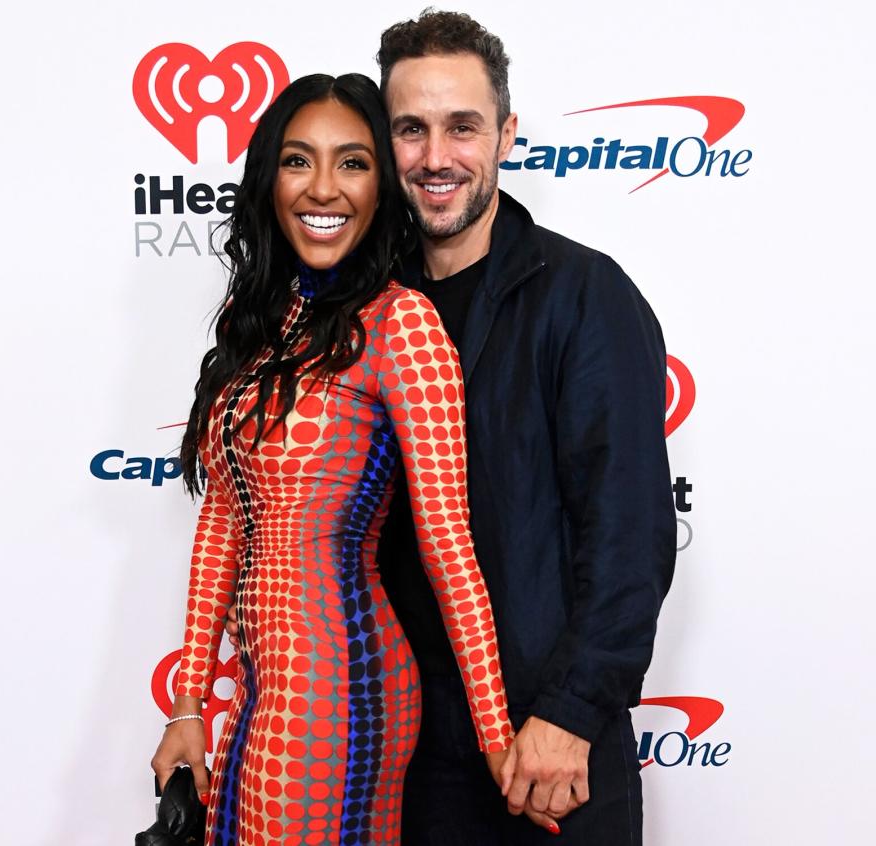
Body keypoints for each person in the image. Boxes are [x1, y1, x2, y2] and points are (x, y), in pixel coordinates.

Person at [228, 11, 676, 844]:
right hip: (402, 748)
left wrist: (569, 713)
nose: (436, 158)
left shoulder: (583, 296)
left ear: (506, 134)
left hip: (546, 752)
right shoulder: (355, 309)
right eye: (411, 129)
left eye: (462, 127)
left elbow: (631, 533)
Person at [150, 72, 514, 846]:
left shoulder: (400, 324)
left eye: (352, 162)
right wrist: (189, 705)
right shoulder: (258, 322)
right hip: (262, 682)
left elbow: (447, 541)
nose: (324, 187)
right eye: (297, 161)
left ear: (384, 184)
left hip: (337, 682)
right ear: (267, 180)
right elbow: (222, 517)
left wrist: (496, 737)